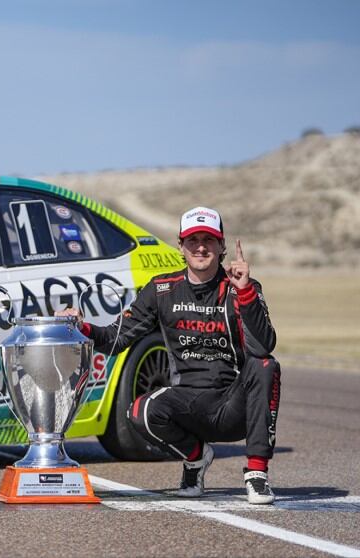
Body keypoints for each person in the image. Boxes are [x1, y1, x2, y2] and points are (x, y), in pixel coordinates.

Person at [57, 207, 281, 504]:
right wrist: (81, 325)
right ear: (181, 245)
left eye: (209, 240)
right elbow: (116, 338)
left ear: (222, 246)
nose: (201, 247)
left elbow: (263, 346)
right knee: (139, 413)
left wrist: (246, 293)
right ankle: (196, 458)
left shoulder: (241, 288)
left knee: (266, 366)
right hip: (187, 407)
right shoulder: (161, 289)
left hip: (234, 408)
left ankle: (256, 475)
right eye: (193, 240)